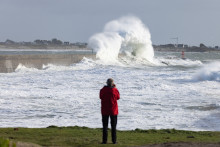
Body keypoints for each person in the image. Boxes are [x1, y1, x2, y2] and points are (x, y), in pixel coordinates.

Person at [100, 78, 120, 144]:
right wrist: (115, 87)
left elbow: (101, 97)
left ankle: (104, 141)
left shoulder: (103, 90)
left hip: (105, 110)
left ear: (106, 83)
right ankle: (114, 141)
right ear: (112, 83)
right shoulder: (115, 90)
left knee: (105, 126)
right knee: (113, 126)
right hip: (113, 110)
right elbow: (118, 97)